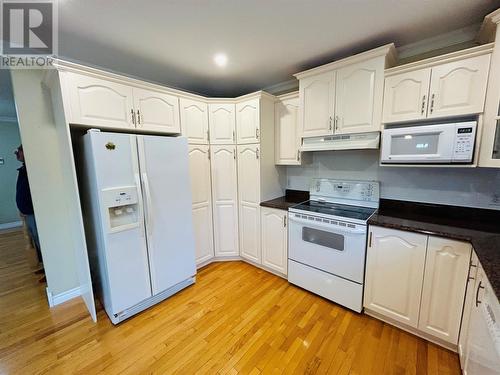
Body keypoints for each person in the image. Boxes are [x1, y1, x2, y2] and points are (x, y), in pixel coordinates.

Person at [15, 145, 43, 265]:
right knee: (36, 240)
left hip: (34, 212)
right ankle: (46, 269)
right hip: (28, 212)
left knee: (41, 240)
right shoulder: (24, 169)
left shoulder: (33, 169)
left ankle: (50, 272)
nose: (16, 153)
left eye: (19, 151)